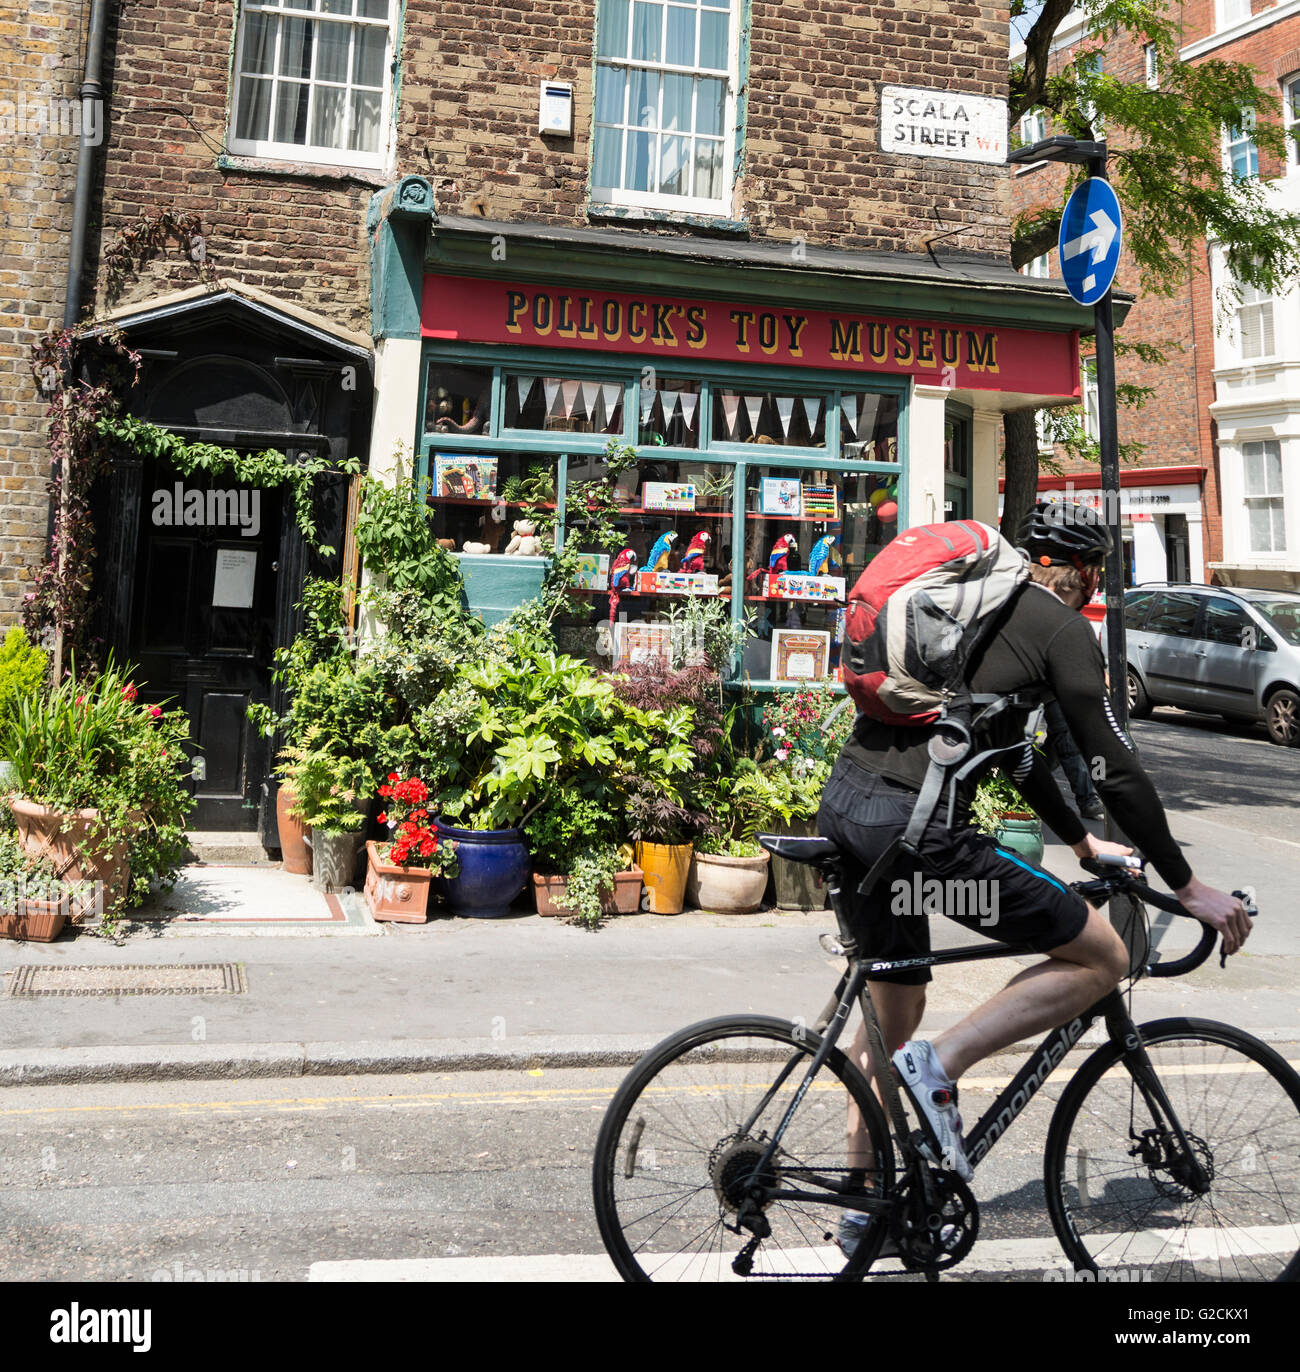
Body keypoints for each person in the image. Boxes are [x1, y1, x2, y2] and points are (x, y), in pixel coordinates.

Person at [818, 501, 1252, 1255]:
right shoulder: (1057, 627)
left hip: (855, 813)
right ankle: (942, 1068)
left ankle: (867, 1211)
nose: (1092, 589)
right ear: (1078, 572)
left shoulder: (976, 619)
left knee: (893, 1010)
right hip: (922, 837)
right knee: (1103, 955)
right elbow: (1114, 765)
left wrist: (1083, 843)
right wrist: (1187, 885)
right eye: (1093, 576)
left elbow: (1016, 750)